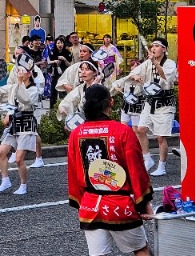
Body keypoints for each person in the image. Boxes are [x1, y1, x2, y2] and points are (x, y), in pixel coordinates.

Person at [68, 84, 153, 256]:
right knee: (141, 250)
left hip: (90, 206)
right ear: (111, 103)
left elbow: (73, 172)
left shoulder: (76, 133)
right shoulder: (123, 131)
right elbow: (137, 171)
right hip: (119, 205)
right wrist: (144, 204)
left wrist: (81, 203)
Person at [126, 37, 177, 176]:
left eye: (157, 46)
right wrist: (135, 77)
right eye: (152, 46)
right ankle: (147, 159)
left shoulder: (170, 63)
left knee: (160, 137)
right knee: (141, 129)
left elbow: (167, 77)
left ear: (164, 49)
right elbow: (133, 73)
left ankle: (162, 166)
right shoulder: (147, 63)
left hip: (165, 103)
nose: (153, 48)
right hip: (150, 102)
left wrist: (156, 63)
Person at [0, 54, 40, 195]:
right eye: (18, 70)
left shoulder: (34, 89)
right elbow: (2, 95)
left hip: (27, 124)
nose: (19, 73)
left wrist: (19, 84)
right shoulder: (14, 86)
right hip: (14, 124)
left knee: (19, 159)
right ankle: (5, 180)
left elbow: (26, 100)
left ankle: (23, 184)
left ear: (30, 73)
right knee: (1, 152)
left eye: (22, 70)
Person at [57, 53, 106, 126]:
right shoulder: (81, 88)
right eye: (82, 69)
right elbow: (70, 99)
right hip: (83, 121)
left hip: (97, 122)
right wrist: (63, 107)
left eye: (87, 69)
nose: (83, 72)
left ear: (95, 72)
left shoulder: (100, 88)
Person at [47, 35, 72, 101]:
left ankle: (63, 105)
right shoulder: (53, 52)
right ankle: (52, 108)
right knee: (53, 90)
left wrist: (64, 59)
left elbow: (69, 64)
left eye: (61, 43)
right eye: (58, 43)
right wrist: (54, 61)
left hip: (64, 73)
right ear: (55, 44)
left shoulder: (67, 53)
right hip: (54, 73)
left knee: (63, 90)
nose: (60, 45)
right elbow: (48, 62)